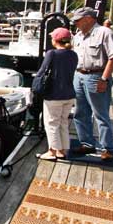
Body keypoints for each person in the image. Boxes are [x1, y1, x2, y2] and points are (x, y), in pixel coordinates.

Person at [70, 7, 113, 161]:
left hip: (96, 75)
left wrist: (104, 79)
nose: (76, 23)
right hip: (79, 75)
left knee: (100, 114)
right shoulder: (78, 36)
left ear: (89, 19)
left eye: (78, 20)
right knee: (80, 112)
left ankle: (107, 148)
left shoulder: (105, 33)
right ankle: (86, 143)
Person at [35, 27, 78, 160]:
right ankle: (63, 150)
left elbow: (42, 71)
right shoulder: (73, 54)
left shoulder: (52, 54)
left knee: (52, 123)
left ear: (56, 40)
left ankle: (52, 151)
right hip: (69, 94)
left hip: (54, 94)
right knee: (63, 122)